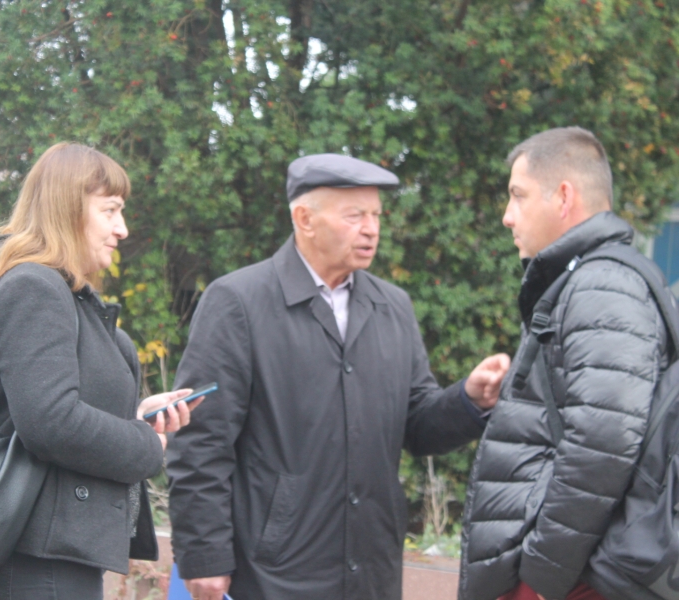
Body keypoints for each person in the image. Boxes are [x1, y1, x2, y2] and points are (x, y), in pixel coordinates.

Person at [166, 153, 512, 600]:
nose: (371, 229)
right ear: (304, 219)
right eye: (354, 216)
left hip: (371, 570)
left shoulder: (393, 307)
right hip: (272, 573)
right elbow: (201, 439)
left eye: (376, 215)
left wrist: (468, 400)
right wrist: (204, 554)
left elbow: (416, 425)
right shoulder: (238, 302)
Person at [0, 142, 201, 600]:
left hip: (52, 556)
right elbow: (50, 422)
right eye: (110, 211)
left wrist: (137, 416)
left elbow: (56, 403)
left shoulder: (58, 292)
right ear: (67, 209)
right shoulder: (33, 288)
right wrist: (143, 444)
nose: (122, 229)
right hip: (37, 564)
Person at [458, 127, 670, 600]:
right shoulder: (586, 282)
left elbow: (604, 442)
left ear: (564, 197)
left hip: (574, 580)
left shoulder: (603, 286)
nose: (507, 215)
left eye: (518, 195)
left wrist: (541, 579)